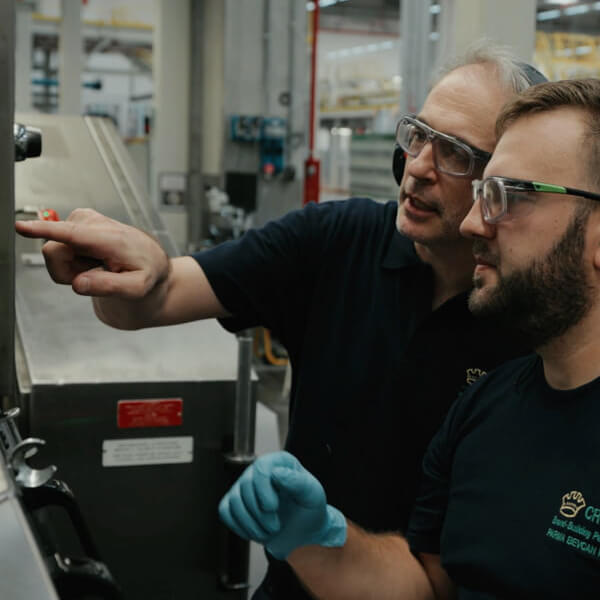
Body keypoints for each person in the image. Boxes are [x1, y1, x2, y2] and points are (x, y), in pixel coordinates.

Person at [15, 43, 540, 599]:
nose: (418, 167)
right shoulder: (335, 241)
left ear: (502, 182)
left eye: (454, 153)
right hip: (296, 584)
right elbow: (154, 297)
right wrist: (127, 270)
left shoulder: (529, 314)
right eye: (418, 135)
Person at [218, 78, 600, 599]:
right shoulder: (485, 407)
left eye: (510, 197)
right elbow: (431, 586)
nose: (472, 224)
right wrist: (318, 537)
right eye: (484, 193)